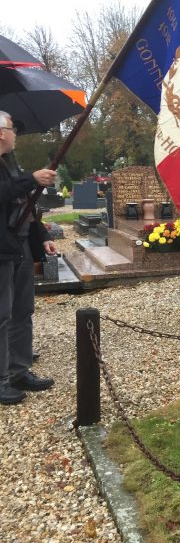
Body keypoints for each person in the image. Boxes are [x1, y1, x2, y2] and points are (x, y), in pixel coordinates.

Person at [0, 110, 56, 405]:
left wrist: (43, 238)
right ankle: (1, 379)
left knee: (22, 310)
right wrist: (30, 179)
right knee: (2, 314)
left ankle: (19, 369)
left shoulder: (11, 162)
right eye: (13, 129)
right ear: (1, 133)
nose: (16, 135)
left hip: (19, 244)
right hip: (1, 248)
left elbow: (24, 207)